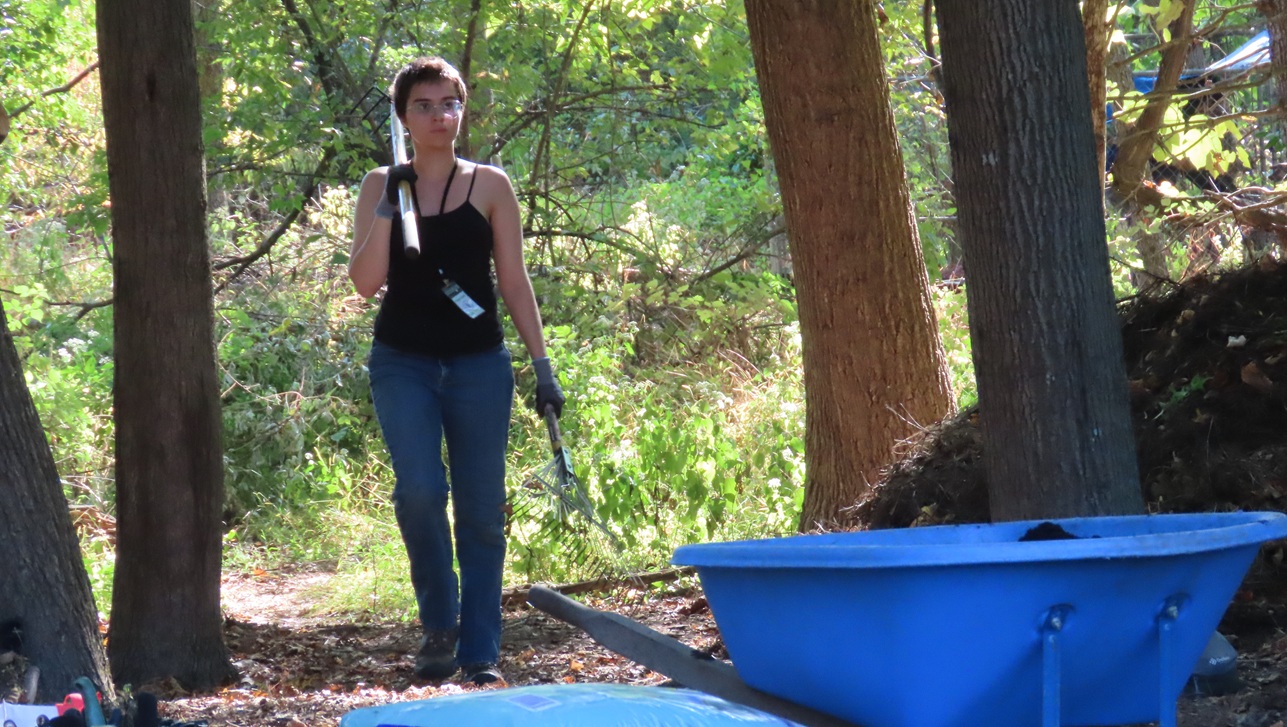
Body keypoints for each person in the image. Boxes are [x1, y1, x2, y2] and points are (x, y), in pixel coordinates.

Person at [348, 56, 566, 686]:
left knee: (479, 509)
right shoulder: (379, 185)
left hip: (479, 366)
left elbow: (515, 281)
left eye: (450, 103)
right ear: (404, 116)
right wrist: (392, 203)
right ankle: (438, 626)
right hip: (403, 362)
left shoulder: (491, 185)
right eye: (425, 105)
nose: (440, 115)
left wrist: (542, 365)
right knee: (420, 494)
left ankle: (479, 652)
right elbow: (365, 284)